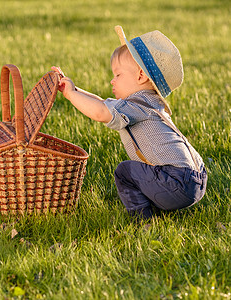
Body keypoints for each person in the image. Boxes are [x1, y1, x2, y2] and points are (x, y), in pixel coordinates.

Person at [51, 25, 207, 221]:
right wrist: (73, 89)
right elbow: (102, 102)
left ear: (140, 76)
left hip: (176, 182)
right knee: (141, 171)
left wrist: (71, 95)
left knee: (125, 172)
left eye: (117, 75)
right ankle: (158, 203)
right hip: (197, 179)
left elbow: (100, 112)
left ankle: (142, 219)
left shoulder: (136, 106)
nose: (112, 81)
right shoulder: (147, 102)